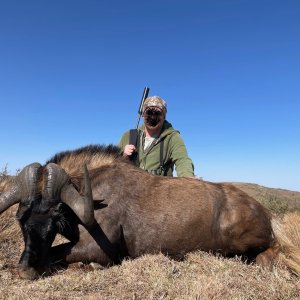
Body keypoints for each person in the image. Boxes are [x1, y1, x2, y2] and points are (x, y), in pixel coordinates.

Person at [118, 96, 194, 177]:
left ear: (164, 116)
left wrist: (188, 179)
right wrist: (122, 155)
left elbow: (182, 161)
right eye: (149, 112)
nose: (153, 116)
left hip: (159, 189)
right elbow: (112, 163)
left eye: (157, 113)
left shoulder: (173, 137)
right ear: (143, 114)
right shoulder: (128, 136)